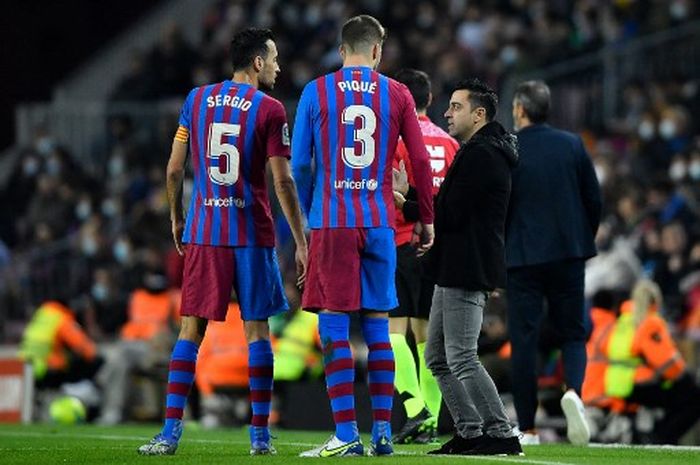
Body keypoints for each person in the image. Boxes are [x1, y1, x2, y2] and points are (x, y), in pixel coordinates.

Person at [137, 27, 308, 456]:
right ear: (256, 63)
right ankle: (260, 438)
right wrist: (302, 239)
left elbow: (174, 170)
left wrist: (178, 217)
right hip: (251, 234)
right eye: (273, 59)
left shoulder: (196, 100)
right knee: (257, 333)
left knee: (190, 331)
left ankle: (169, 434)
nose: (277, 67)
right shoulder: (269, 110)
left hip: (205, 233)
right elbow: (282, 181)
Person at [291, 15, 435, 457]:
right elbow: (419, 161)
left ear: (342, 50)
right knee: (377, 326)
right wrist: (425, 216)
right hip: (380, 223)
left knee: (334, 324)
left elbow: (299, 164)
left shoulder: (316, 91)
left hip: (333, 222)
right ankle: (384, 433)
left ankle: (346, 434)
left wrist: (309, 217)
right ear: (377, 51)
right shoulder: (398, 93)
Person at [423, 78, 522, 456]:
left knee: (461, 356)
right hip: (454, 265)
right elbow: (452, 206)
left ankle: (500, 433)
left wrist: (410, 202)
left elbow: (452, 210)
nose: (447, 113)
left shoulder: (484, 155)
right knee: (437, 357)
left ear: (479, 115)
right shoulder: (480, 151)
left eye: (456, 106)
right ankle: (469, 430)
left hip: (467, 265)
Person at [506, 80, 602, 446]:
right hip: (568, 252)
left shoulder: (510, 148)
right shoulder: (572, 144)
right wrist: (580, 237)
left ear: (520, 109)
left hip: (523, 257)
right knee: (573, 333)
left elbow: (503, 206)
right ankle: (574, 392)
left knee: (524, 342)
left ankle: (528, 427)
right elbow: (593, 199)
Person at [389, 68, 458, 444]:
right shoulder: (449, 143)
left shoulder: (395, 139)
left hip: (401, 241)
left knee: (393, 331)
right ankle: (429, 422)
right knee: (426, 337)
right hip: (438, 248)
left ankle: (417, 410)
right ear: (430, 100)